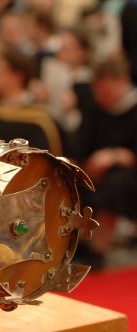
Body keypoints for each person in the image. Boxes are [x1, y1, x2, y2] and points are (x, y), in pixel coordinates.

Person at [75, 57, 137, 267]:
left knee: (117, 182)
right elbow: (80, 145)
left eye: (108, 91)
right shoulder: (94, 109)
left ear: (123, 81)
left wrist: (115, 156)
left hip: (128, 173)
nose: (103, 97)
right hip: (92, 170)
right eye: (99, 91)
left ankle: (97, 248)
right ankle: (75, 242)